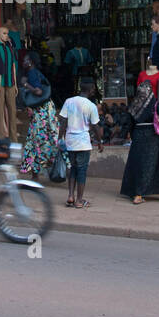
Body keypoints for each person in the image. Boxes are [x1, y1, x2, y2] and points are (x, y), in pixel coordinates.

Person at [119, 79, 159, 205]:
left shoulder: (134, 105)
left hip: (138, 138)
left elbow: (129, 124)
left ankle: (138, 195)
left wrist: (129, 136)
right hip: (153, 137)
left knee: (139, 165)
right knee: (158, 164)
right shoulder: (154, 103)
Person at [59, 77, 102, 208]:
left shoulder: (69, 101)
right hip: (83, 142)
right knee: (81, 171)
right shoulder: (91, 106)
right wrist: (100, 141)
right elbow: (95, 126)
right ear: (90, 90)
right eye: (94, 88)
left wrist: (60, 138)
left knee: (72, 169)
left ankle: (70, 196)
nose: (94, 90)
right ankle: (79, 200)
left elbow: (62, 121)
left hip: (70, 141)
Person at [19, 54, 57, 177]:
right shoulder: (35, 72)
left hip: (42, 112)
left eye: (25, 60)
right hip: (44, 110)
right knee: (38, 139)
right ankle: (37, 170)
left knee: (37, 139)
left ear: (30, 61)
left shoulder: (32, 73)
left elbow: (38, 91)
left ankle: (40, 168)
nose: (22, 62)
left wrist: (25, 85)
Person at [0, 26, 20, 140]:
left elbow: (13, 66)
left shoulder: (10, 48)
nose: (6, 35)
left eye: (7, 33)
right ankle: (0, 139)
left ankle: (14, 139)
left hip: (10, 83)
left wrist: (15, 84)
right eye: (4, 33)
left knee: (12, 112)